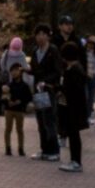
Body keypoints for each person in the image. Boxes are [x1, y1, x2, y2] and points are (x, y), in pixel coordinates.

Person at [30, 24, 62, 161]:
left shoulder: (53, 51)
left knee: (49, 120)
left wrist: (46, 81)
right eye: (38, 34)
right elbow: (34, 69)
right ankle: (44, 149)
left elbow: (57, 71)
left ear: (48, 35)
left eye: (43, 34)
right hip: (38, 90)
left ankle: (54, 150)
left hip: (48, 89)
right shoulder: (35, 51)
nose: (40, 37)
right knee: (41, 121)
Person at [57, 42, 90, 173]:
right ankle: (74, 160)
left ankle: (76, 161)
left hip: (73, 108)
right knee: (73, 134)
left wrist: (61, 90)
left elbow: (73, 89)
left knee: (74, 134)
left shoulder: (74, 70)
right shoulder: (76, 68)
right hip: (74, 107)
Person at [2, 61, 30, 157]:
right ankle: (8, 148)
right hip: (9, 110)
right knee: (8, 129)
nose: (14, 72)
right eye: (12, 71)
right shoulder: (8, 85)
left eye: (16, 70)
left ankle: (21, 148)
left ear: (21, 72)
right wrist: (7, 101)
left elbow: (28, 97)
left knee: (20, 130)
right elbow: (3, 97)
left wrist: (21, 101)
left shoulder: (25, 86)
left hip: (20, 110)